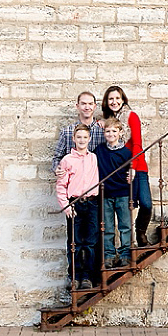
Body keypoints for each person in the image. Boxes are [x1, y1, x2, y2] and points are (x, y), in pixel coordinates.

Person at [99, 85, 153, 247]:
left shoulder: (131, 116)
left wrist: (133, 167)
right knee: (127, 205)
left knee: (146, 203)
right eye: (111, 99)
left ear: (123, 100)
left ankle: (141, 231)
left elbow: (137, 144)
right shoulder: (108, 122)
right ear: (106, 102)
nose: (114, 102)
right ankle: (125, 245)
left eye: (117, 98)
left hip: (137, 166)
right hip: (119, 170)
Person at [55, 124, 100, 290]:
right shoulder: (67, 160)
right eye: (78, 137)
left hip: (92, 203)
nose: (82, 140)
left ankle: (87, 275)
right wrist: (66, 206)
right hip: (74, 204)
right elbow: (61, 186)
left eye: (85, 137)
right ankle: (74, 275)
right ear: (74, 139)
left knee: (90, 242)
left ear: (89, 139)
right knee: (74, 242)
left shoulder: (93, 158)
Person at [92, 118, 133, 269]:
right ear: (104, 133)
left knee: (125, 226)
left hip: (123, 194)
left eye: (114, 131)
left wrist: (132, 195)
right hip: (105, 194)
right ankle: (109, 254)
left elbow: (131, 172)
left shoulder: (126, 153)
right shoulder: (100, 150)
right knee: (107, 227)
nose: (110, 134)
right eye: (107, 131)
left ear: (120, 133)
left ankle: (125, 254)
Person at [52, 91, 104, 174]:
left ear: (94, 106)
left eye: (90, 104)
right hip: (74, 180)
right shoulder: (67, 132)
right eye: (83, 104)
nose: (87, 107)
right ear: (77, 106)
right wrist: (57, 169)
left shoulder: (103, 131)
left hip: (96, 181)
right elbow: (57, 158)